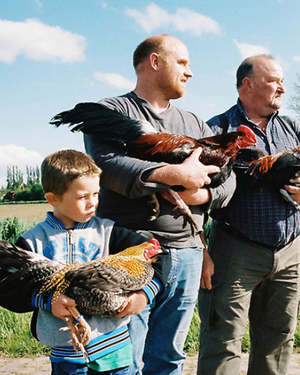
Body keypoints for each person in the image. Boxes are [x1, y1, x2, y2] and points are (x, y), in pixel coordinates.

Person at [84, 34, 236, 374]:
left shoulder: (195, 122)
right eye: (182, 62)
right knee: (125, 356)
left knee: (170, 356)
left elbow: (228, 180)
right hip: (132, 252)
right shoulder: (113, 111)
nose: (190, 72)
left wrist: (203, 195)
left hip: (187, 254)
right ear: (155, 62)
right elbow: (107, 165)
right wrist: (174, 174)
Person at [7, 149, 169, 375]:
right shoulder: (32, 241)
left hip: (115, 348)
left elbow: (162, 258)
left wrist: (143, 296)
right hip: (67, 353)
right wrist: (47, 300)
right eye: (83, 197)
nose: (92, 202)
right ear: (53, 199)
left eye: (96, 194)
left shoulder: (109, 232)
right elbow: (9, 289)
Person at [197, 55, 300, 375]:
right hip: (235, 248)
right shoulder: (216, 130)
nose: (282, 87)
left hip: (290, 249)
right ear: (247, 85)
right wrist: (201, 250)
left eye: (282, 80)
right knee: (222, 339)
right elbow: (196, 197)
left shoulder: (293, 127)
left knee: (278, 338)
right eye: (274, 81)